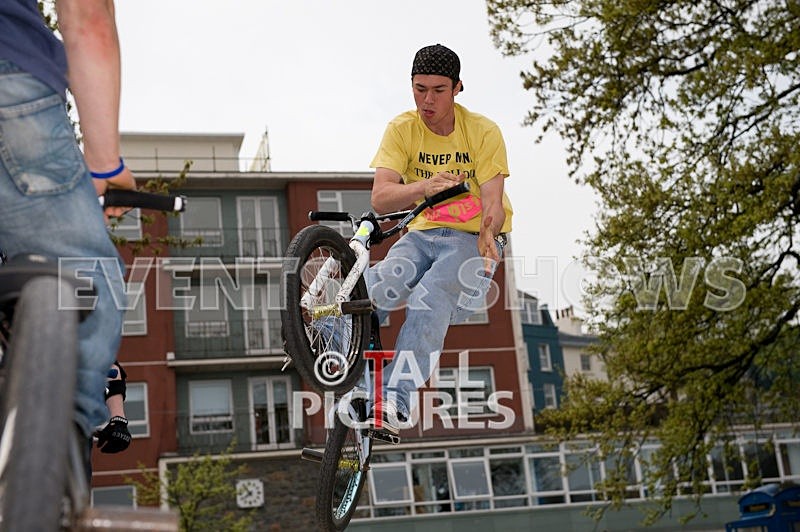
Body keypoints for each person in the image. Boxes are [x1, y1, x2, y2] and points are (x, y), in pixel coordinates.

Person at [0, 0, 136, 453]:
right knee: (88, 285)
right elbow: (87, 16)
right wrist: (104, 164)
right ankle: (48, 464)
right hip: (11, 77)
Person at [365, 44, 513, 434]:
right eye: (419, 89)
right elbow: (381, 196)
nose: (427, 100)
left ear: (458, 88)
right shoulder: (402, 129)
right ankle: (325, 343)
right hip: (422, 234)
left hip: (470, 239)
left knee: (428, 297)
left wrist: (488, 233)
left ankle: (393, 400)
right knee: (379, 286)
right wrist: (424, 187)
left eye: (438, 90)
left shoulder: (483, 131)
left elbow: (493, 201)